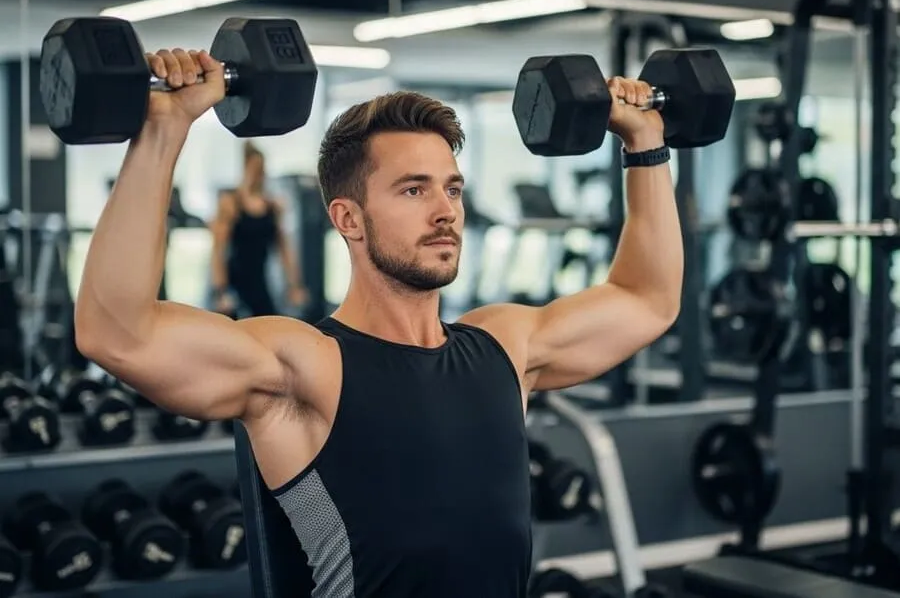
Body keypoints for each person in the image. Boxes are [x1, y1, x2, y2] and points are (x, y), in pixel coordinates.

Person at [75, 47, 683, 597]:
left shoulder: (505, 349)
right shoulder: (305, 367)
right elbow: (118, 332)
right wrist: (163, 130)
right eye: (414, 191)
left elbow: (647, 299)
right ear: (349, 218)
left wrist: (646, 143)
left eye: (452, 189)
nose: (446, 211)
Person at [209, 140, 308, 317]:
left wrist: (294, 285)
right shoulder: (231, 203)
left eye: (261, 169)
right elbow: (218, 251)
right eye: (254, 169)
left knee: (269, 323)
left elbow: (284, 250)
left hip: (260, 282)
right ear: (245, 168)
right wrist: (220, 291)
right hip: (234, 283)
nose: (258, 175)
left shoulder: (272, 206)